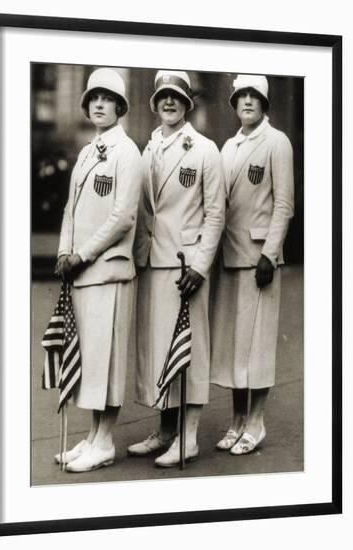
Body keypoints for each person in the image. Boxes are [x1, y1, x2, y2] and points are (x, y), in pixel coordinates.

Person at [128, 70, 225, 467]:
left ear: (187, 104)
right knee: (159, 350)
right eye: (163, 96)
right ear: (155, 103)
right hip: (153, 260)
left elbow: (216, 214)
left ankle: (189, 437)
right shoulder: (148, 149)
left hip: (186, 265)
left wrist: (201, 266)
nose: (169, 102)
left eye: (177, 97)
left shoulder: (204, 149)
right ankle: (166, 430)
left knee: (191, 350)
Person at [53, 68, 142, 472]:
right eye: (94, 99)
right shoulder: (88, 152)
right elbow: (71, 209)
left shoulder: (127, 152)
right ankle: (92, 436)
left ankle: (105, 440)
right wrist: (62, 251)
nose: (100, 105)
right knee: (89, 356)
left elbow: (123, 217)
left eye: (108, 99)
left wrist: (83, 254)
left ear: (121, 107)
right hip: (82, 270)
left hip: (107, 269)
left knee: (106, 358)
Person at [210, 74, 294, 455]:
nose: (246, 101)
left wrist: (269, 253)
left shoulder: (277, 142)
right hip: (228, 257)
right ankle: (237, 420)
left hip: (258, 258)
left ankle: (256, 423)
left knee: (256, 346)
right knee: (234, 346)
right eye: (240, 95)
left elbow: (284, 204)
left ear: (264, 103)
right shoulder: (228, 146)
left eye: (253, 95)